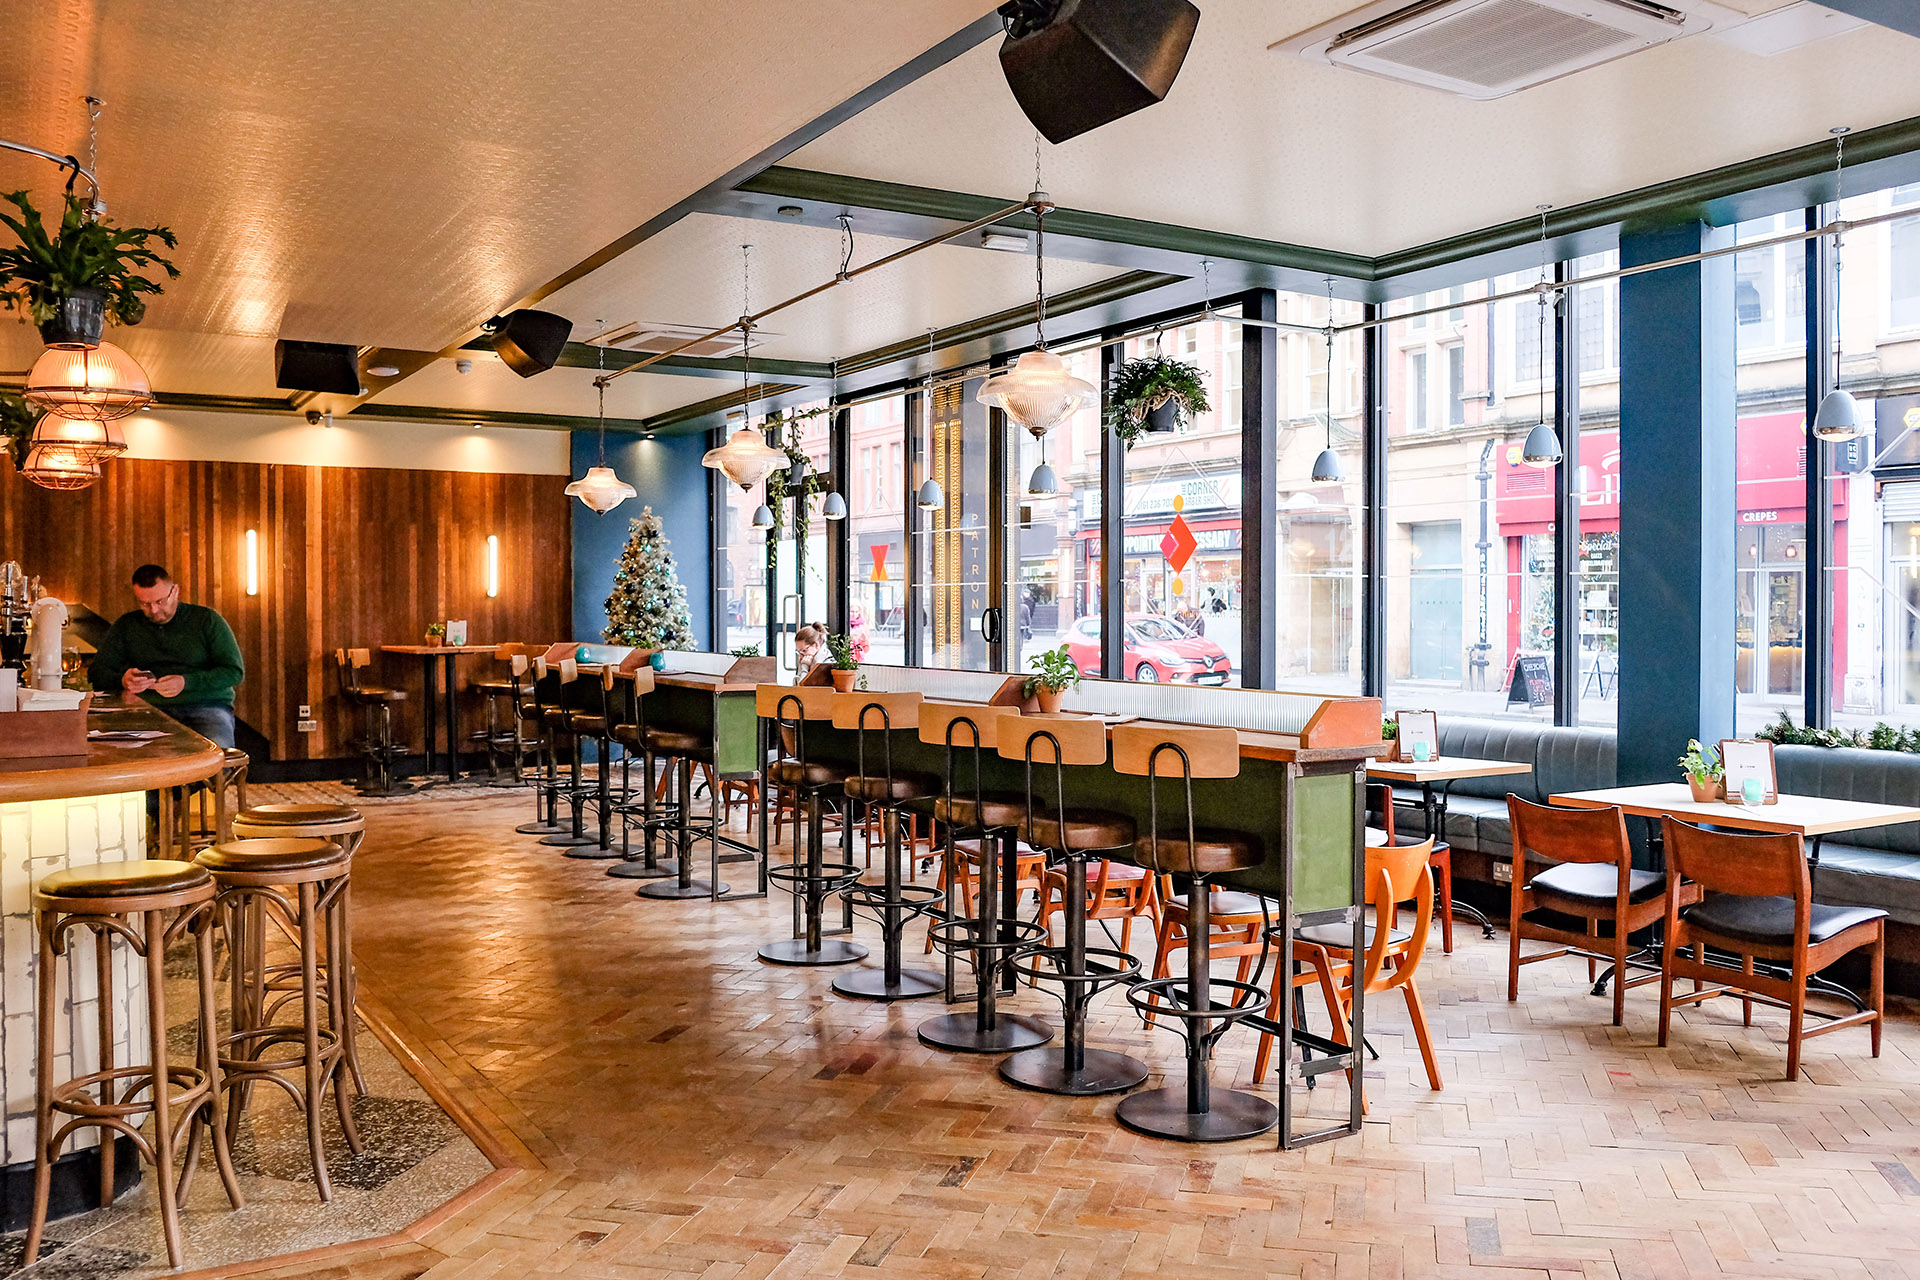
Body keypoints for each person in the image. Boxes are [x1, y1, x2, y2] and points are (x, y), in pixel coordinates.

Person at [89, 564, 245, 747]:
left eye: (160, 601)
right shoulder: (127, 625)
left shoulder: (207, 620)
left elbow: (234, 672)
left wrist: (186, 682)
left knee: (215, 754)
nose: (154, 610)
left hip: (206, 706)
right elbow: (96, 673)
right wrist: (123, 680)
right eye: (145, 604)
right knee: (126, 754)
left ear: (175, 591)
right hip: (146, 710)